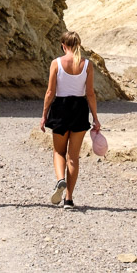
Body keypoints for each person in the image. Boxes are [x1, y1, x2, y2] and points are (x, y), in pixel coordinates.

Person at [40, 30, 101, 209]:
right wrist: (96, 118)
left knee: (59, 151)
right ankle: (69, 199)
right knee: (73, 156)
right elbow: (90, 93)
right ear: (78, 45)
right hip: (79, 109)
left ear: (63, 45)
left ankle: (60, 180)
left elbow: (50, 92)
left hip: (60, 108)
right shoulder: (87, 64)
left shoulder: (56, 63)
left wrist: (44, 115)